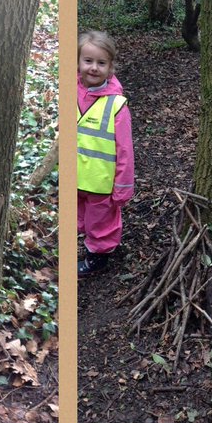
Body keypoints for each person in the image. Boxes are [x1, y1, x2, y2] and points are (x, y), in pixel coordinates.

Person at [77, 30, 134, 277]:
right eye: (88, 61)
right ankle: (85, 245)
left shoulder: (116, 105)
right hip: (76, 179)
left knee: (101, 222)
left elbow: (125, 151)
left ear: (111, 68)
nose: (93, 68)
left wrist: (122, 188)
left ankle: (98, 257)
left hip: (102, 183)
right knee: (81, 218)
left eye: (101, 63)